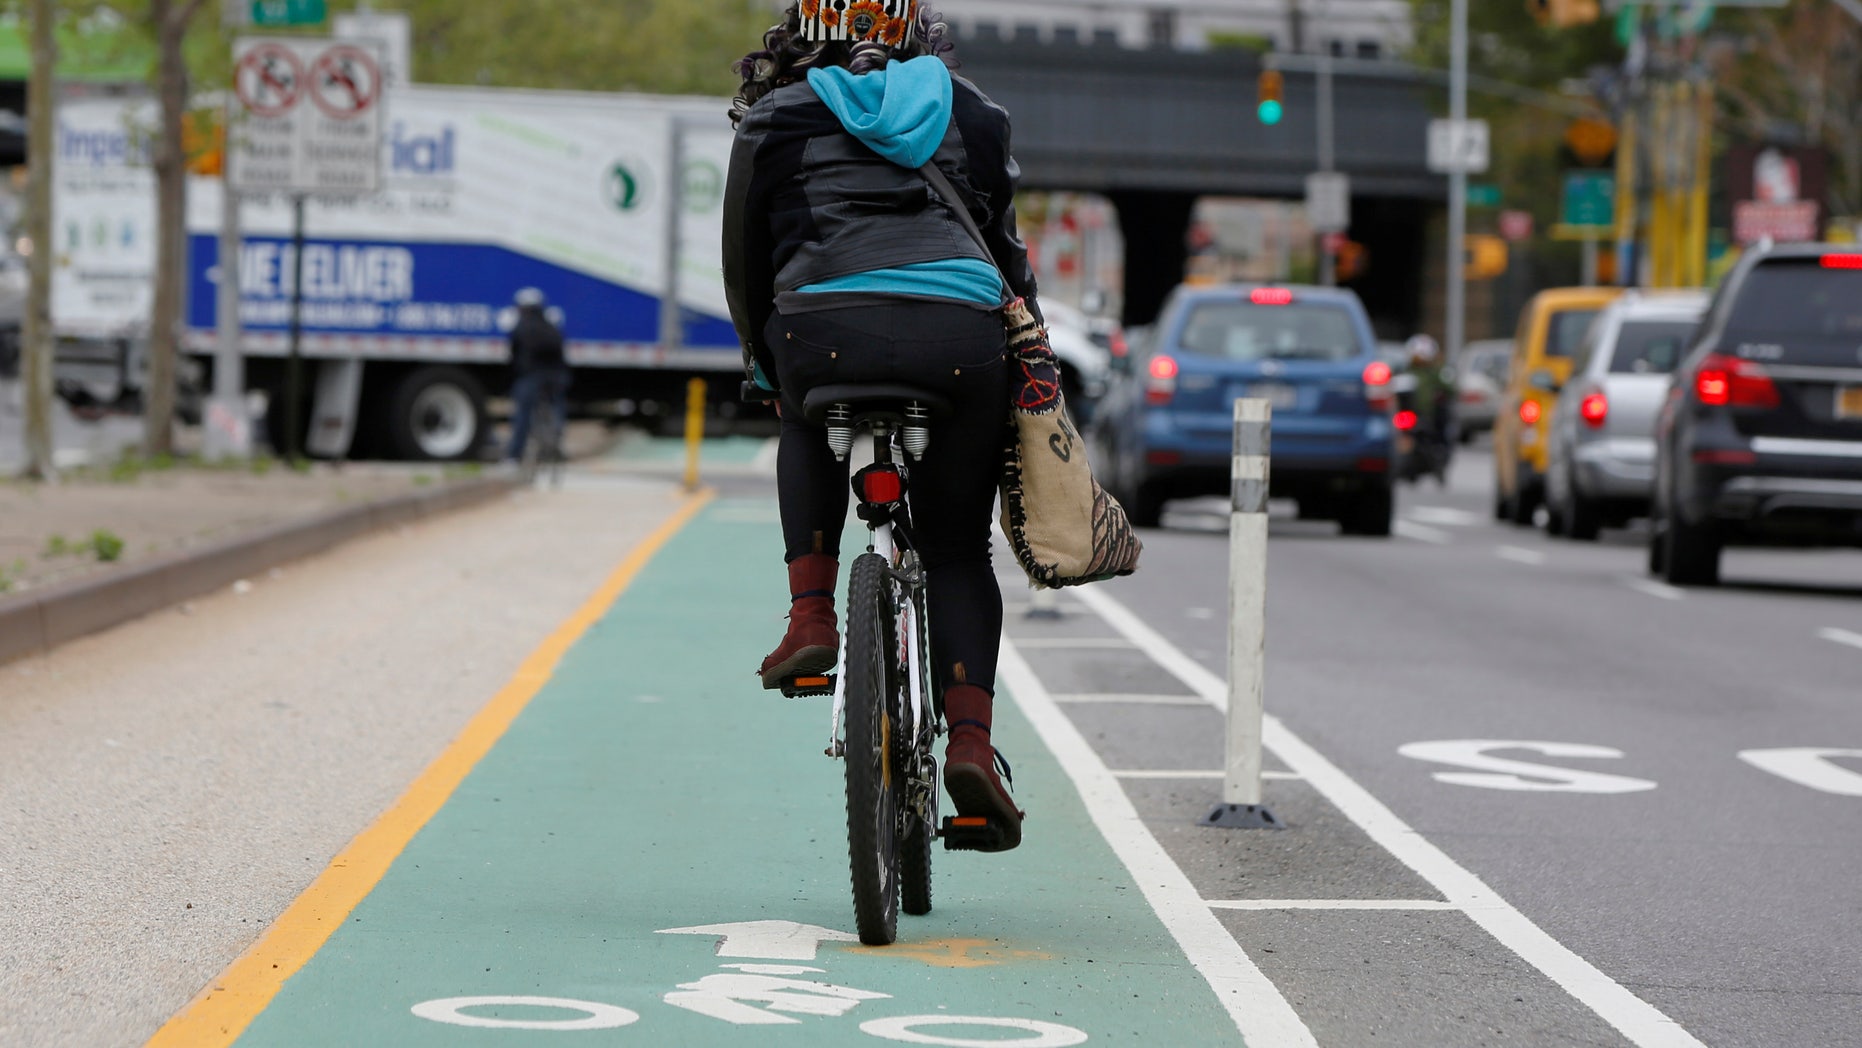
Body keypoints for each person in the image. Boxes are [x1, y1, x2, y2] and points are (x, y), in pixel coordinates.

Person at [724, 1, 1038, 849]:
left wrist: (765, 359)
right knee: (958, 549)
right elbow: (1007, 256)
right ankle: (970, 743)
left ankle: (811, 617)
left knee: (801, 417)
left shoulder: (777, 119)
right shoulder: (972, 112)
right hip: (960, 343)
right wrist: (1029, 357)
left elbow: (746, 261)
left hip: (821, 333)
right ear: (916, 36)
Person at [505, 288, 569, 463]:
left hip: (531, 377)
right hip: (556, 377)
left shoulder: (521, 327)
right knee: (557, 406)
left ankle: (514, 455)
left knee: (523, 413)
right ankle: (557, 438)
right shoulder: (551, 326)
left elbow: (513, 355)